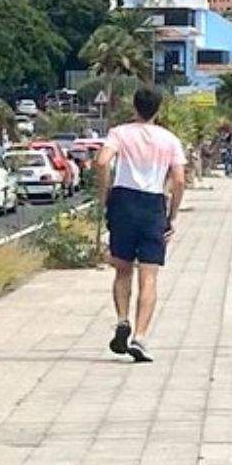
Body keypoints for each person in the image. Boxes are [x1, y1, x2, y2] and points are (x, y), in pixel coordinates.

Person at [96, 85, 188, 364]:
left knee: (122, 269)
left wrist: (105, 196)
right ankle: (140, 336)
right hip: (153, 205)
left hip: (123, 201)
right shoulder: (169, 139)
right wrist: (171, 215)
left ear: (134, 107)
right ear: (158, 109)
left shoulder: (119, 133)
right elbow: (179, 180)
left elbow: (102, 162)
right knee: (149, 276)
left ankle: (122, 319)